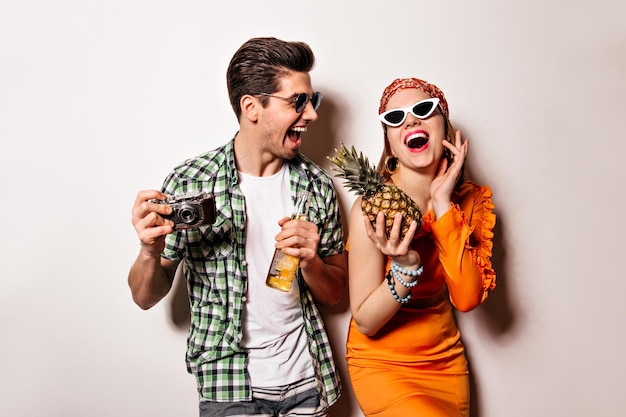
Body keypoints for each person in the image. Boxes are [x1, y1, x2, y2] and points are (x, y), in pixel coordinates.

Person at [128, 37, 347, 417]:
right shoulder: (190, 182)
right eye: (298, 101)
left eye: (314, 101)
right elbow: (145, 297)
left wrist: (311, 263)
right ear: (252, 107)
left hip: (307, 382)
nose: (311, 114)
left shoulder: (316, 187)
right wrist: (149, 251)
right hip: (228, 386)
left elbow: (335, 294)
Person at [344, 77, 497, 416]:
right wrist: (405, 267)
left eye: (423, 110)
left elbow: (467, 299)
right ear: (391, 143)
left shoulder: (469, 201)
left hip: (445, 363)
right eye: (395, 118)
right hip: (383, 363)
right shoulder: (372, 208)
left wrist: (442, 205)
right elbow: (366, 321)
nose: (410, 120)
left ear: (444, 123)